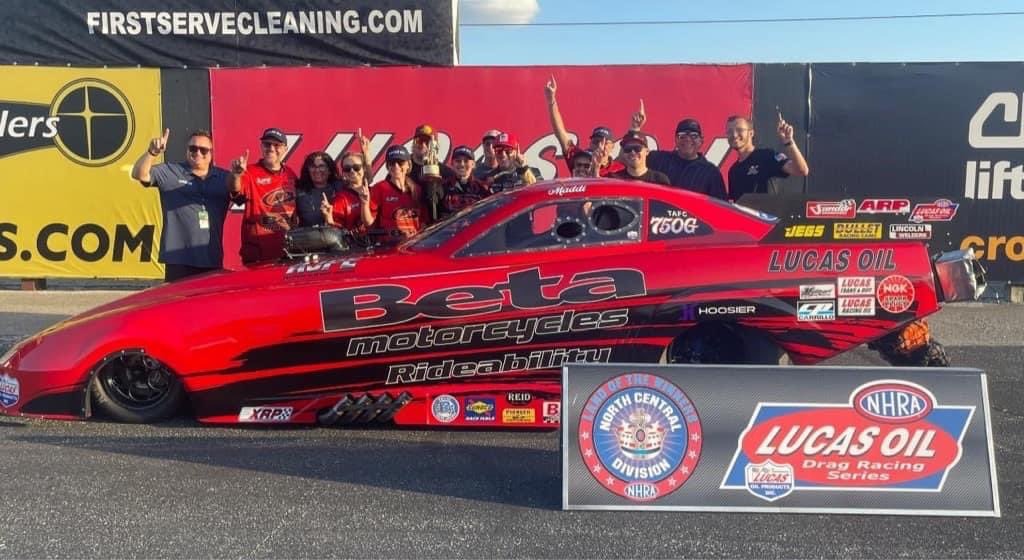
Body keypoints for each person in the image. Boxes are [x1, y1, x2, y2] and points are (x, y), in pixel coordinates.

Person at [130, 128, 231, 282]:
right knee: (179, 304)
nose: (198, 153)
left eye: (203, 150)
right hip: (178, 258)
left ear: (211, 153)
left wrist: (237, 175)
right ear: (187, 150)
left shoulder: (223, 178)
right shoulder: (171, 172)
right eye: (193, 148)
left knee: (207, 305)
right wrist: (152, 153)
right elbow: (139, 174)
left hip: (210, 257)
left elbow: (240, 192)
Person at [229, 127, 298, 265]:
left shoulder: (290, 174)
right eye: (267, 144)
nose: (271, 148)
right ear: (261, 146)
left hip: (288, 251)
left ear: (285, 149)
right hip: (258, 253)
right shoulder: (249, 172)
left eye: (277, 145)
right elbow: (236, 194)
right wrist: (236, 175)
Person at [630, 105, 727, 198]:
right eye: (682, 135)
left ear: (701, 141)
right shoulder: (658, 159)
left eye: (694, 135)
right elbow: (627, 157)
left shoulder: (711, 172)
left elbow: (721, 208)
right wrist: (635, 129)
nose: (688, 139)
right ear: (675, 139)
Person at [544, 76, 624, 177]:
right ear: (590, 143)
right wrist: (551, 101)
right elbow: (560, 132)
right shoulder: (580, 159)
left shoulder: (620, 169)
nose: (600, 146)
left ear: (612, 146)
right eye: (596, 142)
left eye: (604, 143)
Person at [726, 113, 810, 199]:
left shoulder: (767, 156)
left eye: (739, 130)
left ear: (751, 133)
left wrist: (789, 142)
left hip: (767, 212)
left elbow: (802, 170)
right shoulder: (733, 171)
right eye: (729, 131)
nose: (734, 135)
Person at [368, 145, 429, 245]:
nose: (396, 166)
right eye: (392, 163)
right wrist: (364, 202)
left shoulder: (416, 189)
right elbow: (369, 222)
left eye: (400, 162)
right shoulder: (379, 188)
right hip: (389, 245)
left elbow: (423, 222)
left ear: (408, 165)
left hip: (414, 245)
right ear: (387, 166)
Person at [440, 145, 492, 219]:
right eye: (458, 161)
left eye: (466, 161)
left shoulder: (483, 188)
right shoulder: (443, 187)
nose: (462, 164)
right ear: (452, 164)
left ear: (473, 164)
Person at [293, 151, 340, 228]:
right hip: (308, 238)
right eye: (313, 166)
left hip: (337, 237)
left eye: (321, 166)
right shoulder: (298, 191)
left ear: (330, 170)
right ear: (308, 170)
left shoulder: (340, 187)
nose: (317, 170)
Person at [328, 152, 373, 232]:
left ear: (364, 169)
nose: (352, 171)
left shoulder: (376, 191)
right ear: (343, 173)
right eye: (347, 169)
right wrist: (328, 218)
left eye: (356, 167)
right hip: (355, 243)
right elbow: (336, 230)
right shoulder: (341, 198)